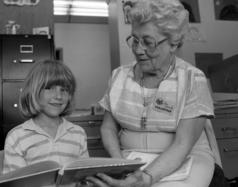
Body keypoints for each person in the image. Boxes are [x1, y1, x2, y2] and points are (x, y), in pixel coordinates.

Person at [87, 0, 223, 186]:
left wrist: (145, 178)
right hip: (131, 160)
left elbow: (182, 144)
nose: (138, 50)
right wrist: (119, 163)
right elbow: (108, 127)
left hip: (185, 159)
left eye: (148, 42)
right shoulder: (119, 76)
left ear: (173, 44)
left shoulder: (192, 79)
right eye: (135, 40)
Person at [2, 60, 89, 185]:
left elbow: (84, 179)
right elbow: (15, 184)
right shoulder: (17, 137)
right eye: (49, 88)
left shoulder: (78, 133)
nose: (58, 96)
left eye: (64, 90)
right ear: (34, 92)